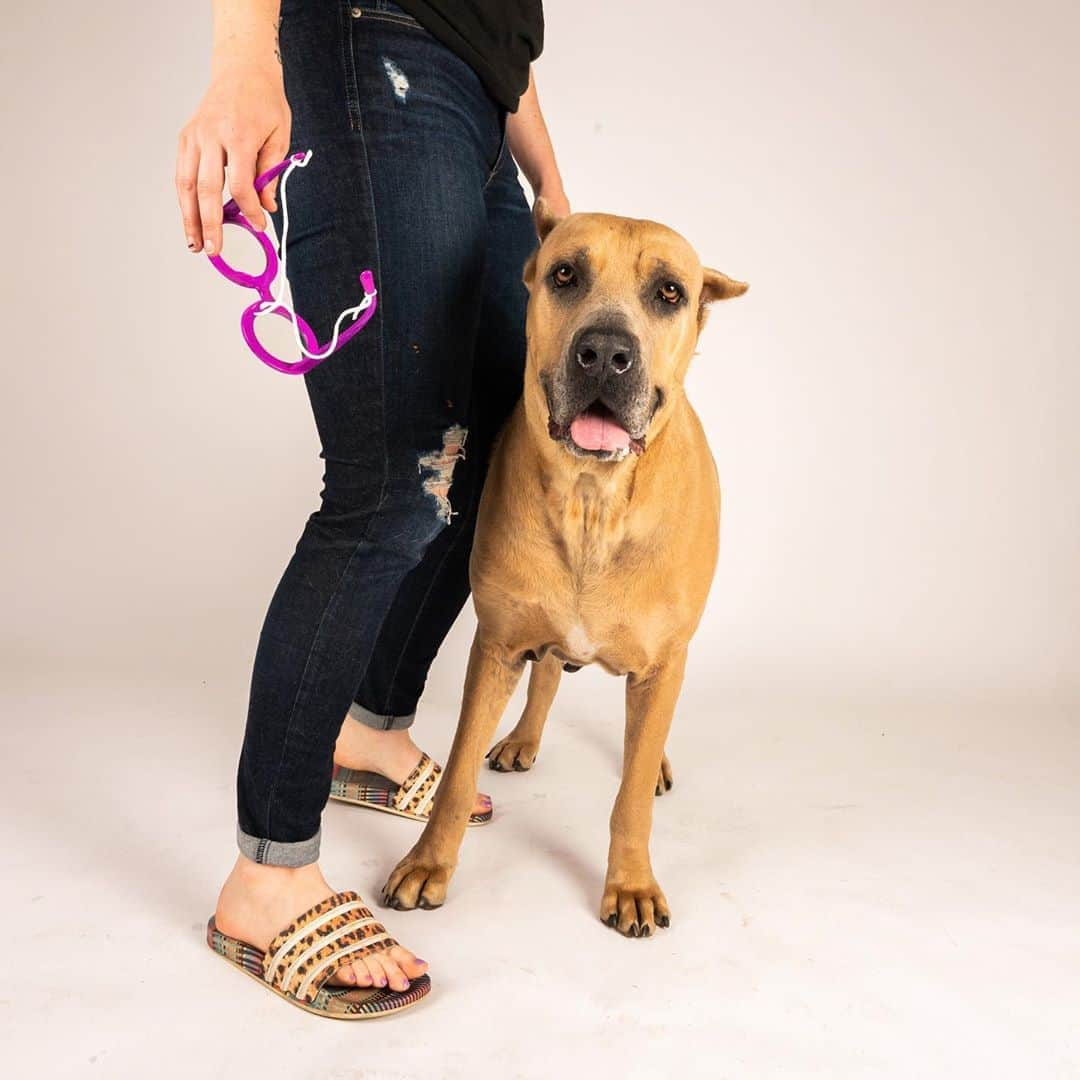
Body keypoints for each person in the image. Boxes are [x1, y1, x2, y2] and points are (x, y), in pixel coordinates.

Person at [175, 0, 567, 1017]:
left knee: (483, 464)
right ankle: (265, 878)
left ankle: (368, 730)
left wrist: (548, 180)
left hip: (481, 109)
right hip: (369, 51)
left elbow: (498, 29)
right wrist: (241, 63)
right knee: (391, 483)